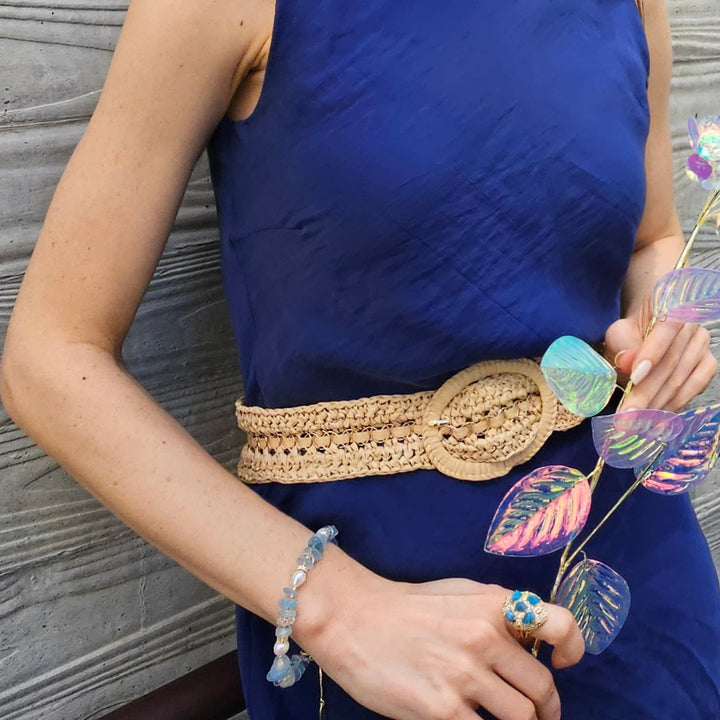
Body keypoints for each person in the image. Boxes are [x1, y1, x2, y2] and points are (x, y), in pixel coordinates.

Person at [2, 0, 719, 717]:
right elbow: (49, 358)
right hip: (380, 620)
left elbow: (652, 237)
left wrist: (667, 322)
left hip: (636, 564)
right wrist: (339, 611)